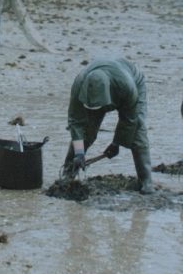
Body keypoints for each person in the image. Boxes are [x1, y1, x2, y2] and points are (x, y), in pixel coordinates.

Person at [63, 58, 153, 193]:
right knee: (86, 131)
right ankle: (68, 173)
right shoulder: (79, 85)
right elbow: (76, 122)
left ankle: (146, 180)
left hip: (132, 84)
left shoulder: (126, 86)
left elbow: (130, 119)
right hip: (96, 93)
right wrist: (79, 152)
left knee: (137, 132)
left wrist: (117, 143)